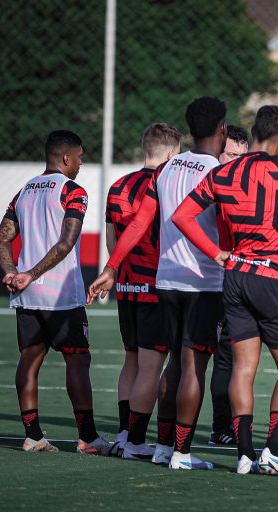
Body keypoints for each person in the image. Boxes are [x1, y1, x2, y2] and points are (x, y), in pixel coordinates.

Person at [172, 105, 278, 477]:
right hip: (274, 276)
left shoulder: (222, 172)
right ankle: (273, 449)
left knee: (244, 367)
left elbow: (181, 216)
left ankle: (244, 455)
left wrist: (215, 253)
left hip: (236, 276)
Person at [88, 97, 228, 470]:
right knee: (188, 368)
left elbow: (135, 224)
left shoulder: (166, 171)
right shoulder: (217, 170)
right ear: (222, 129)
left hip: (164, 281)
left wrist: (111, 266)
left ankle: (158, 445)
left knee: (162, 365)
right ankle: (179, 452)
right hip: (202, 282)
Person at [0, 130, 110, 455]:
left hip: (28, 295)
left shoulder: (25, 191)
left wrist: (12, 273)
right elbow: (66, 242)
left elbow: (0, 240)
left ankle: (32, 435)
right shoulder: (73, 191)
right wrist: (29, 274)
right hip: (60, 295)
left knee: (29, 359)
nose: (81, 163)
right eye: (80, 157)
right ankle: (88, 438)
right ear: (65, 157)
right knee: (77, 361)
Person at [104, 123, 182, 457]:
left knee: (131, 361)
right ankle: (136, 441)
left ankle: (124, 434)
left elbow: (112, 243)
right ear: (169, 153)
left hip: (126, 283)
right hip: (156, 286)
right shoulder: (166, 184)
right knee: (152, 366)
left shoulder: (118, 186)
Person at [210, 123, 250, 446]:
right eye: (231, 155)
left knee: (237, 356)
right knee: (221, 357)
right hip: (211, 281)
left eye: (242, 156)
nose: (236, 161)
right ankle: (220, 427)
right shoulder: (211, 182)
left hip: (239, 281)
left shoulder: (243, 184)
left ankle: (226, 427)